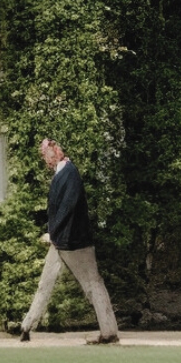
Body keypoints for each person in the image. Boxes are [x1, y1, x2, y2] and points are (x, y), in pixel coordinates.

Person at [19, 138, 121, 345]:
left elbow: (67, 207)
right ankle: (26, 327)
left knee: (93, 284)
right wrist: (55, 235)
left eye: (46, 153)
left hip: (75, 242)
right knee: (45, 284)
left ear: (56, 152)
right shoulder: (62, 174)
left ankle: (109, 333)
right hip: (62, 242)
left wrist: (52, 233)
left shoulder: (69, 174)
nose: (44, 159)